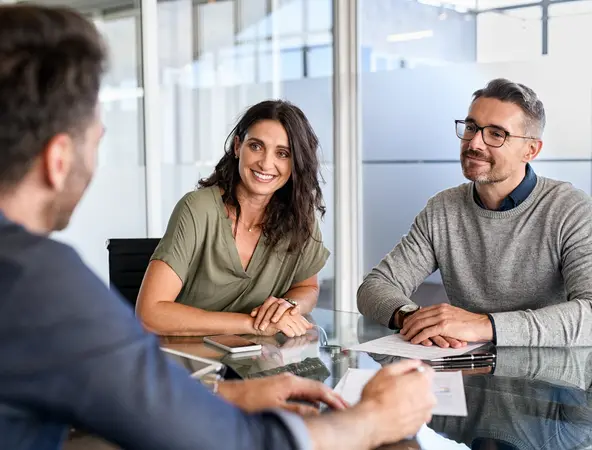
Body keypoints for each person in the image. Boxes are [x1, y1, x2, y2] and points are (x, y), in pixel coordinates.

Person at [0, 4, 438, 450]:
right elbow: (226, 439)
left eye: (283, 153)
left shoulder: (29, 282)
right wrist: (371, 419)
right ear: (58, 160)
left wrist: (233, 389)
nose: (267, 162)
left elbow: (128, 395)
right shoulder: (38, 284)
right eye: (96, 138)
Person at [357, 78, 592, 348]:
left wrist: (484, 325)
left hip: (551, 382)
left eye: (496, 133)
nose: (475, 143)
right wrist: (413, 317)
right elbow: (375, 287)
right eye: (471, 127)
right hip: (464, 378)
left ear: (531, 150)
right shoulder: (443, 209)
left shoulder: (569, 209)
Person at [136, 99, 329, 338]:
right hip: (185, 362)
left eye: (282, 153)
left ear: (295, 162)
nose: (266, 163)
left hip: (256, 364)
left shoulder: (300, 217)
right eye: (256, 146)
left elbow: (307, 287)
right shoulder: (197, 209)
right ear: (238, 147)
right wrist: (252, 325)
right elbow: (149, 314)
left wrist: (288, 306)